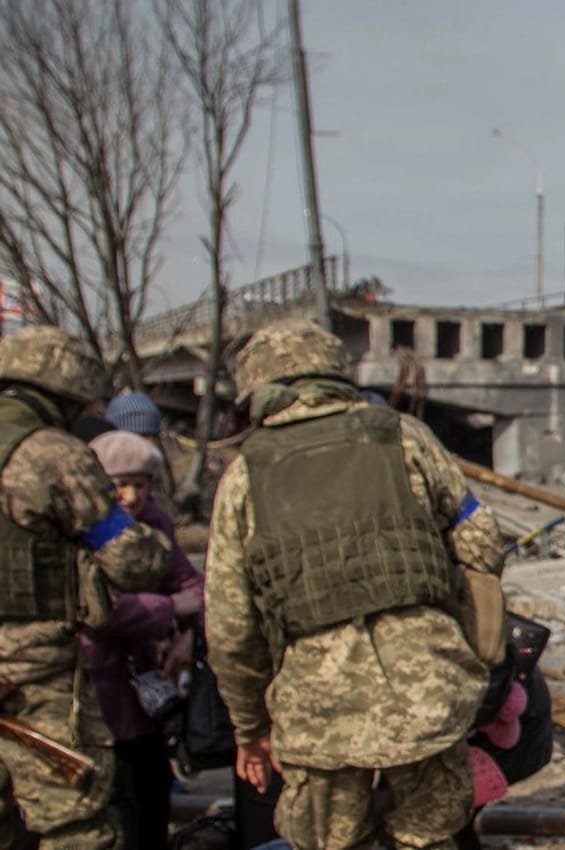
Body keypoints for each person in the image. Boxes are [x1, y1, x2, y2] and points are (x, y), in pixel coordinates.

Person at [203, 319, 510, 850]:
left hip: (319, 712)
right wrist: (470, 642)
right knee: (431, 836)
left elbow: (231, 630)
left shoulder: (243, 478)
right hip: (426, 693)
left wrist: (251, 728)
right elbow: (482, 541)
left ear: (257, 391)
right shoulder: (403, 436)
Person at [0, 325, 172, 850]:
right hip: (32, 675)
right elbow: (132, 560)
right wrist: (161, 548)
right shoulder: (51, 453)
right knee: (76, 826)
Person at [81, 430, 204, 850]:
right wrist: (169, 609)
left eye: (140, 484)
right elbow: (100, 610)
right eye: (119, 485)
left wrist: (190, 633)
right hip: (95, 688)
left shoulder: (155, 525)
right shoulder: (81, 528)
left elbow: (195, 587)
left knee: (151, 801)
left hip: (144, 692)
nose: (130, 496)